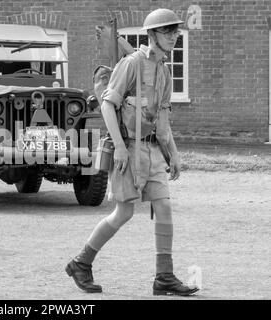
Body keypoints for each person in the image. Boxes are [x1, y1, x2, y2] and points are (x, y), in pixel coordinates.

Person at [65, 8, 199, 296]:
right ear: (151, 35)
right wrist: (121, 149)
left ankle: (164, 277)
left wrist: (173, 154)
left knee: (163, 207)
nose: (173, 36)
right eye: (167, 31)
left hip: (153, 151)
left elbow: (162, 121)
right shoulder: (132, 63)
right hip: (129, 148)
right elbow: (107, 104)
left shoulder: (165, 71)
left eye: (175, 31)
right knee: (123, 213)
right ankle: (81, 262)